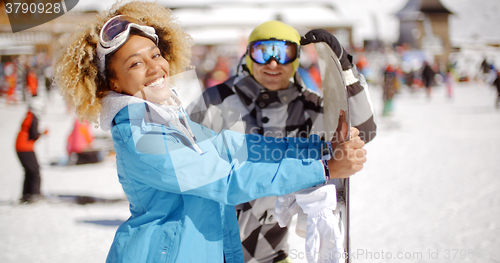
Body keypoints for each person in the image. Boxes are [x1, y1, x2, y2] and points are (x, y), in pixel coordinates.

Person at [53, 2, 367, 262]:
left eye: (155, 55)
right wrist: (322, 169)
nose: (154, 68)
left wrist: (318, 149)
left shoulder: (166, 119)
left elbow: (234, 147)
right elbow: (226, 179)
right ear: (114, 84)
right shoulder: (140, 135)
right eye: (135, 64)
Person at [187, 21, 376, 263]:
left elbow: (362, 132)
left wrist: (346, 69)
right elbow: (183, 153)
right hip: (212, 247)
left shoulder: (309, 107)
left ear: (297, 58)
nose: (273, 63)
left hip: (271, 252)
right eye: (262, 52)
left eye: (284, 53)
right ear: (249, 55)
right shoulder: (217, 99)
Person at [16, 97, 48, 203]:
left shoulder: (29, 116)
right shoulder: (33, 117)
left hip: (21, 146)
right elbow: (34, 135)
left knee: (29, 171)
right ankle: (34, 194)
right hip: (25, 148)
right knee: (34, 171)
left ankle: (26, 194)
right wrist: (43, 133)